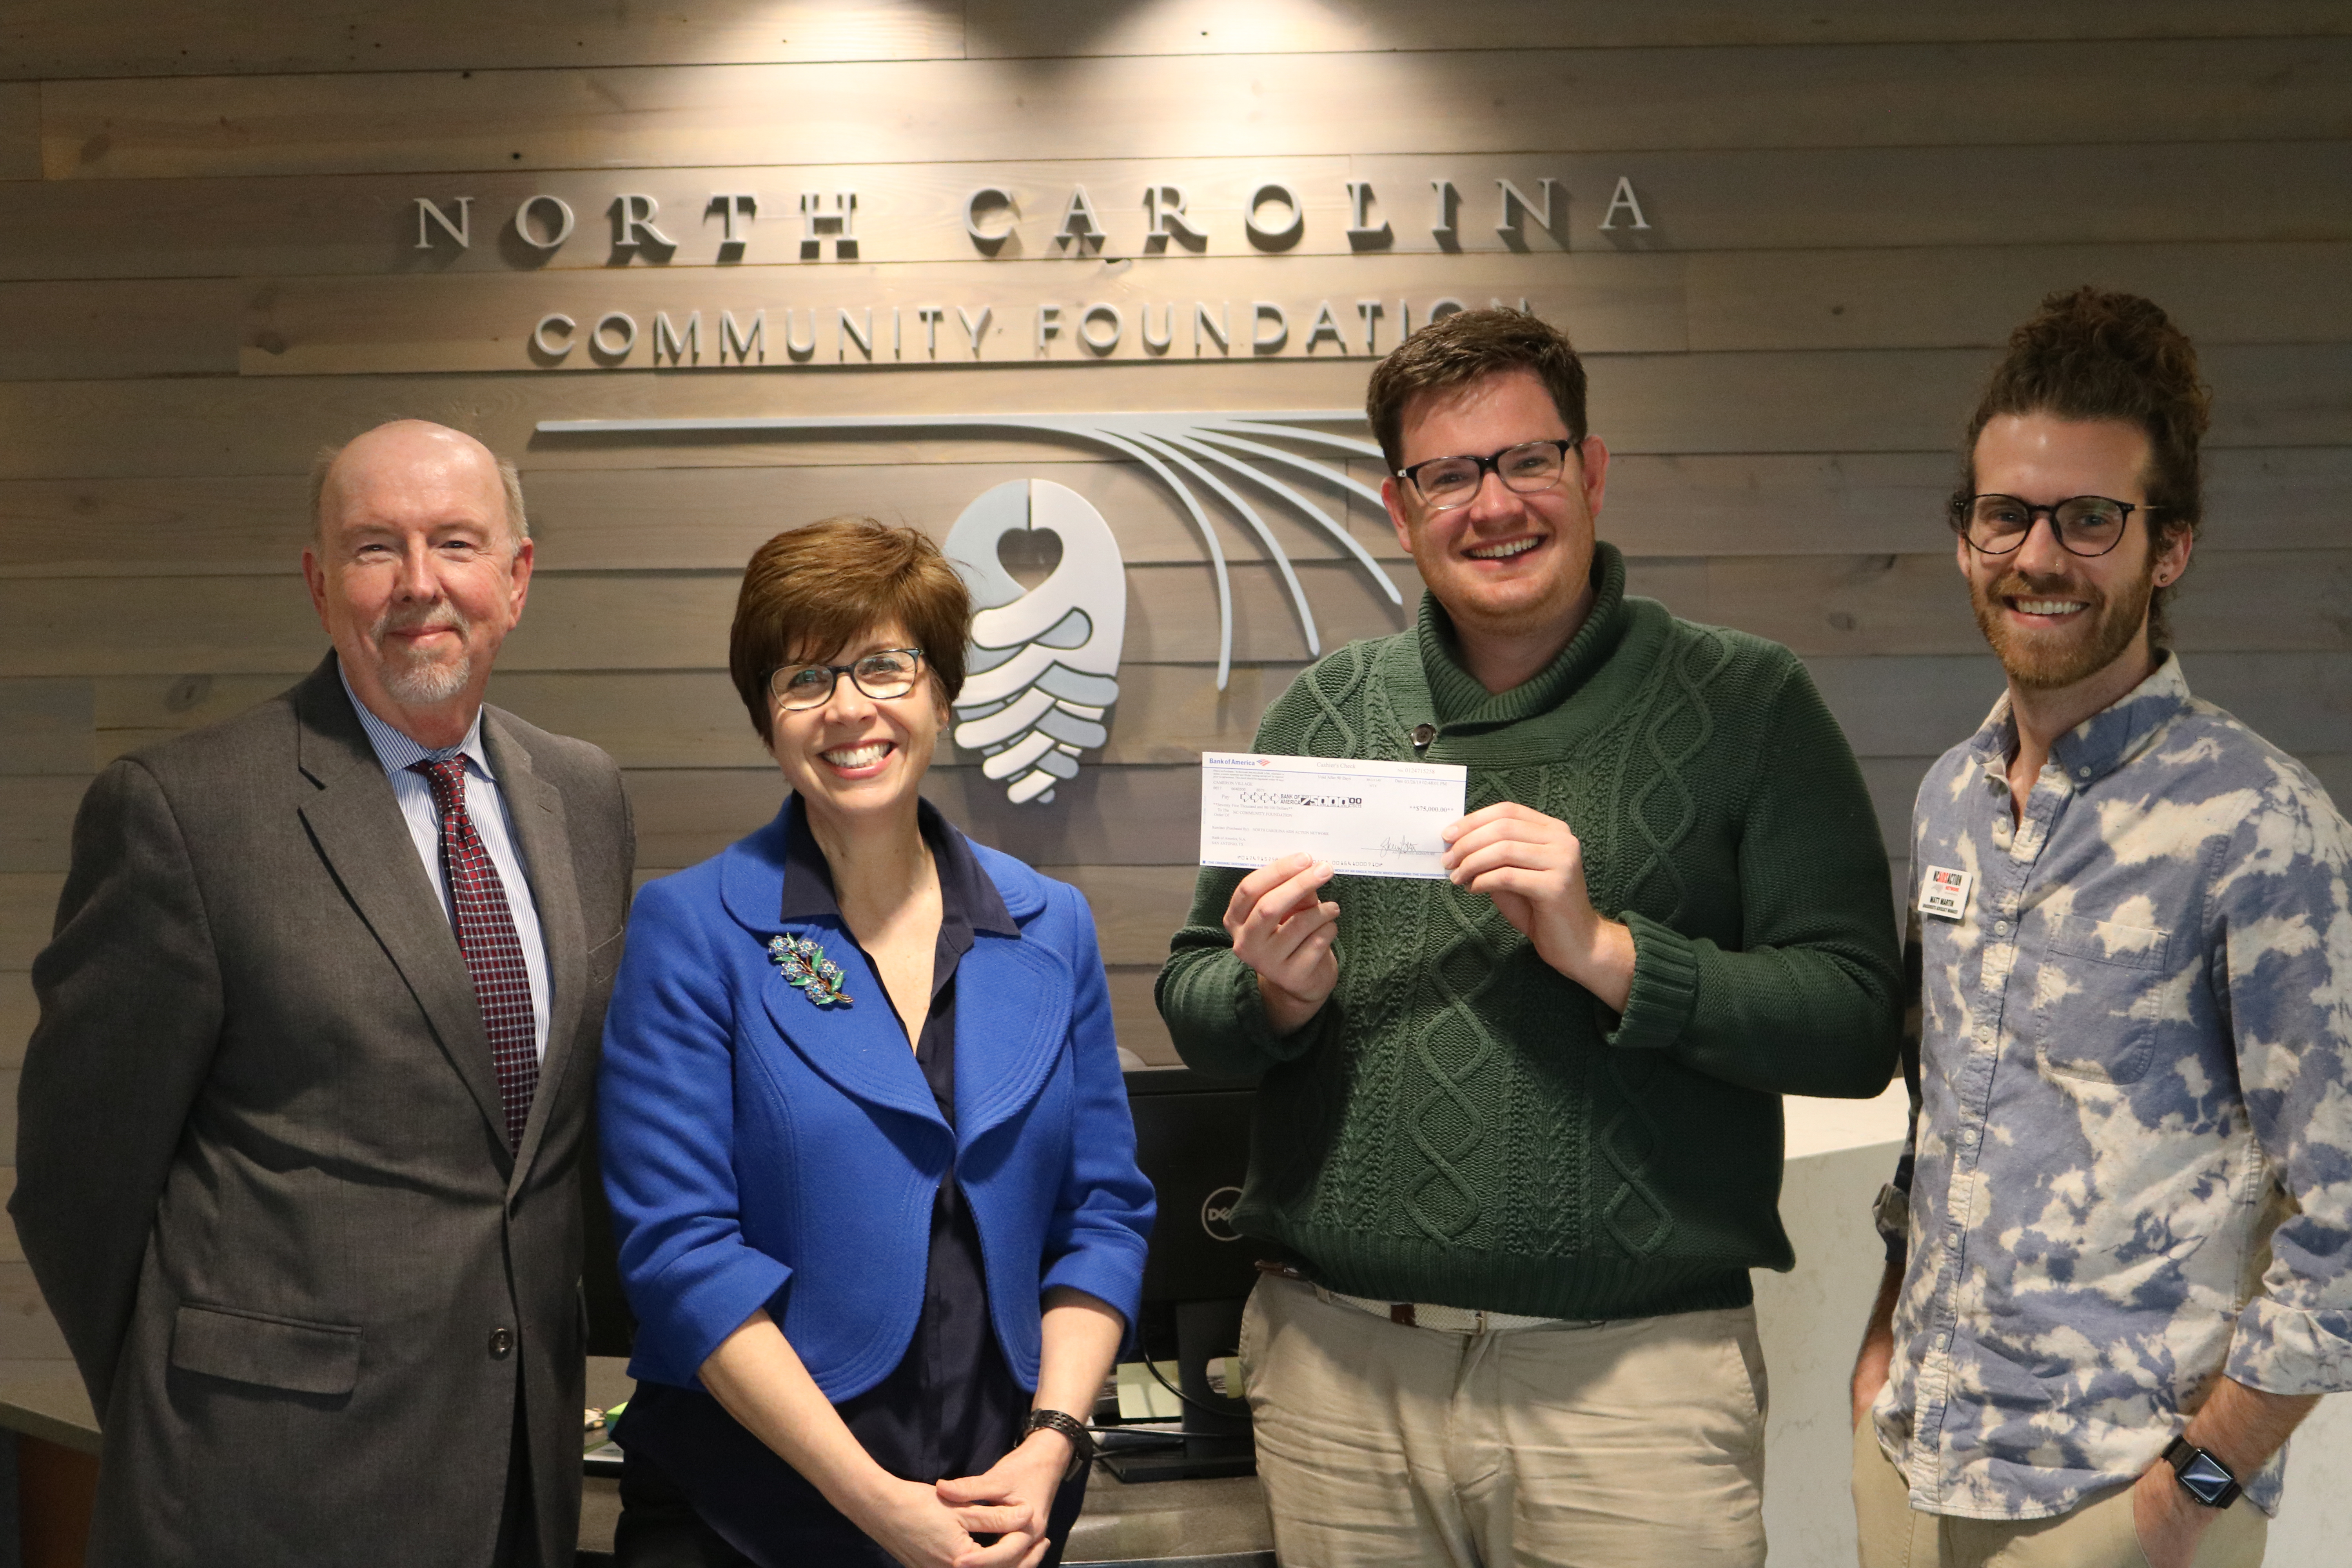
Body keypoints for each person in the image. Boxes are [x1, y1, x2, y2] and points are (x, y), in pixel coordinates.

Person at [1155, 307, 1904, 1568]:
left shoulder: (1749, 703)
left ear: (1591, 472)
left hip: (1632, 1390)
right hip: (1340, 1376)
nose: (1492, 506)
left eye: (1526, 461)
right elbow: (1192, 989)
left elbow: (1850, 1026)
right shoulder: (1326, 708)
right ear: (1399, 509)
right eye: (1448, 475)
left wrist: (1612, 951)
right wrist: (1268, 997)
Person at [11, 420, 635, 1567]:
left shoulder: (584, 798)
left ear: (517, 576)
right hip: (260, 1491)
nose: (418, 584)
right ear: (318, 584)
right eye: (371, 548)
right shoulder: (184, 812)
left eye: (455, 542)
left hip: (518, 1477)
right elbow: (74, 1180)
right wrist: (187, 1407)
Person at [1846, 287, 2352, 1568]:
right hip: (1914, 1459)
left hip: (2114, 1504)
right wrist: (1879, 1346)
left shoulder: (2261, 824)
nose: (2038, 555)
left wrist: (2196, 1486)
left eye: (2090, 520)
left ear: (2167, 547)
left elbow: (2345, 1209)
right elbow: (1945, 1115)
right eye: (2004, 513)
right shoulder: (1953, 798)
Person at [598, 517, 1154, 1568]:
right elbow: (680, 1255)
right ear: (768, 718)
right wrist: (880, 1507)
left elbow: (1104, 1215)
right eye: (804, 678)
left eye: (884, 666)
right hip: (747, 1512)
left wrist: (1054, 1445)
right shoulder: (692, 929)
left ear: (941, 691)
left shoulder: (1051, 927)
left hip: (1004, 1506)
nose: (849, 708)